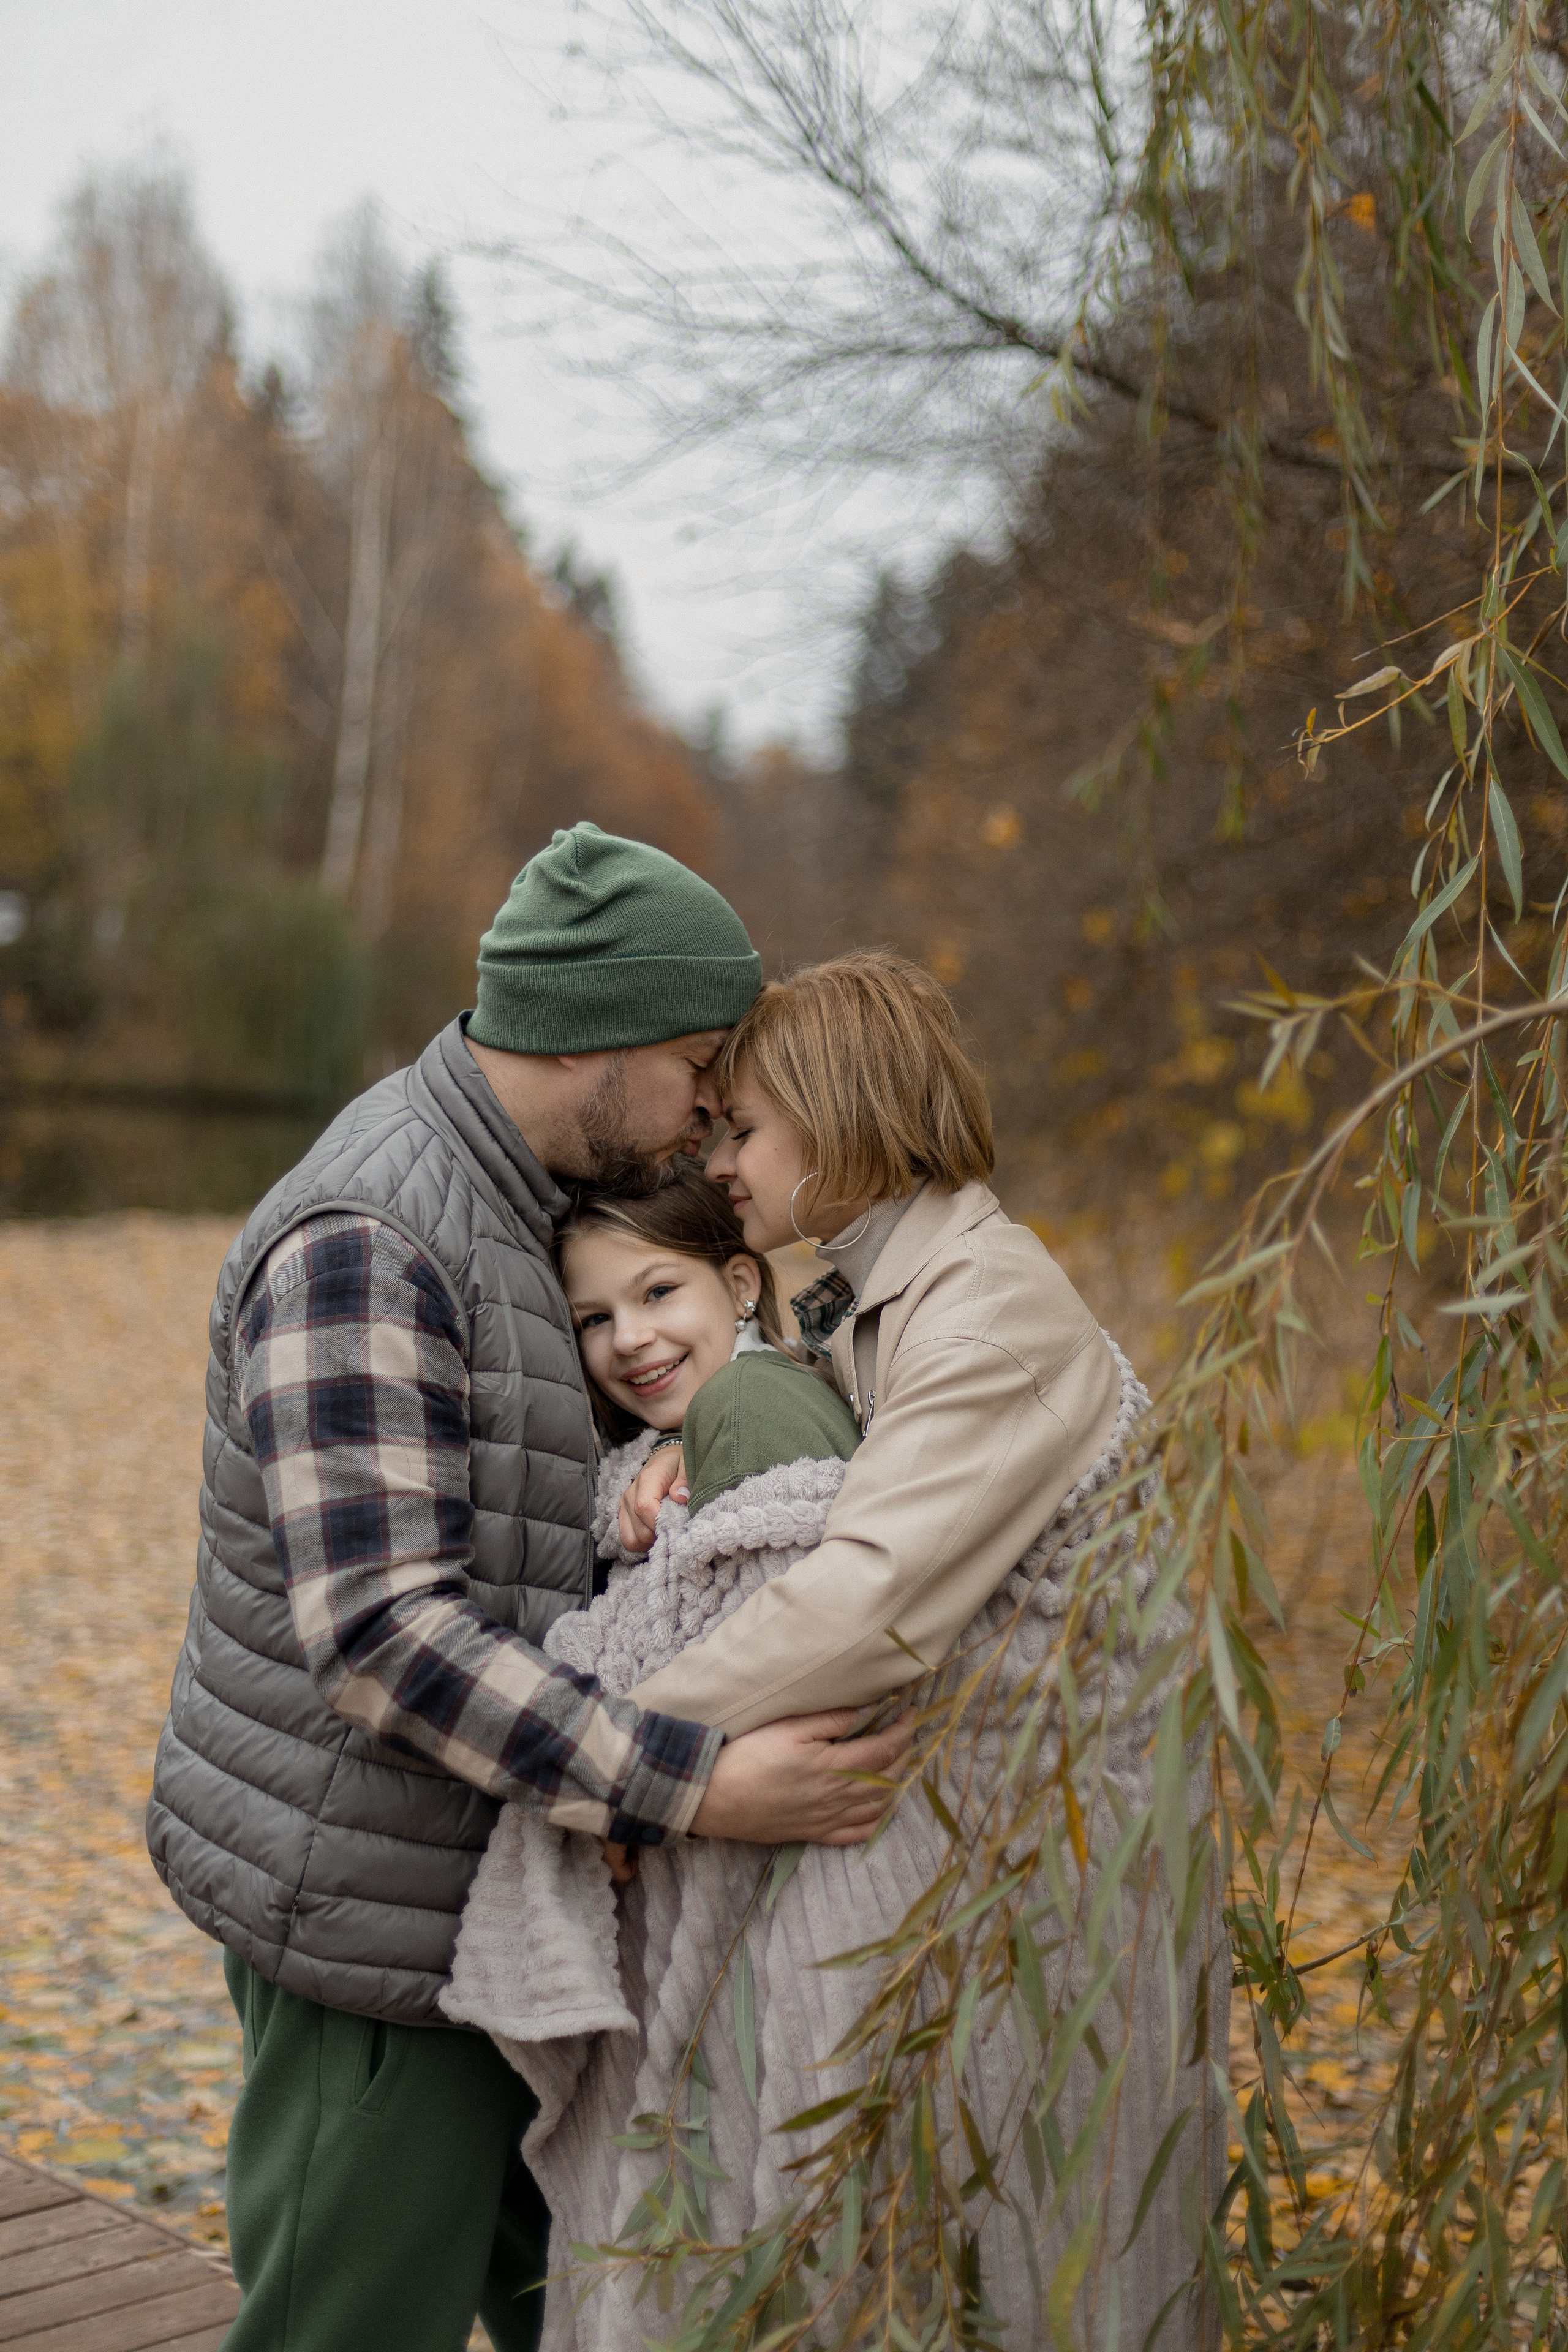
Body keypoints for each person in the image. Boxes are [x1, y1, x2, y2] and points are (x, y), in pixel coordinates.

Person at [144, 827, 912, 2352]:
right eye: (698, 1062)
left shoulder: (510, 1198)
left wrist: (616, 1501)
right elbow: (379, 1641)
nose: (709, 1110)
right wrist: (695, 1786)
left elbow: (476, 1489)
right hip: (361, 1921)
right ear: (598, 1039)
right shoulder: (368, 1237)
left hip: (483, 1911)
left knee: (609, 2311)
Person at [445, 960, 1227, 2352]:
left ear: (844, 1116)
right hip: (960, 1858)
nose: (716, 1158)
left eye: (742, 1129)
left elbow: (867, 1605)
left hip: (1048, 1883)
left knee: (1034, 2253)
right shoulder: (878, 1299)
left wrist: (613, 1755)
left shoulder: (990, 1313)